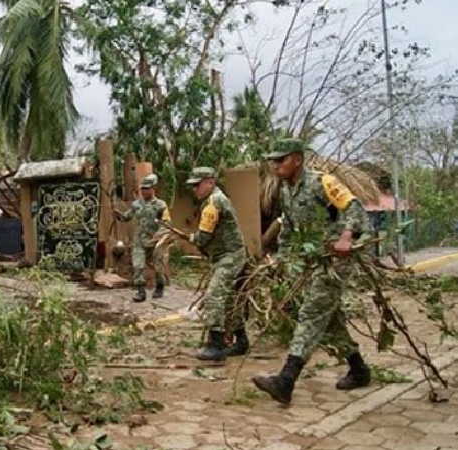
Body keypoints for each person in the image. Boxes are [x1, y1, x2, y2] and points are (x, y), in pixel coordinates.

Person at [252, 138, 374, 405]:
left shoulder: (324, 182)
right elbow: (290, 229)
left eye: (280, 159)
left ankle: (286, 380)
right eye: (273, 160)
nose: (275, 165)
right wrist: (282, 261)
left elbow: (354, 208)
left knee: (311, 312)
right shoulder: (285, 190)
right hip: (310, 260)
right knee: (329, 319)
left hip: (335, 261)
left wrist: (346, 236)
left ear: (297, 158)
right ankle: (359, 369)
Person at [185, 167, 249, 361]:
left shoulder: (214, 202)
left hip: (230, 256)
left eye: (198, 185)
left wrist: (191, 237)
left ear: (210, 182)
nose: (194, 189)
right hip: (229, 255)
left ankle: (216, 345)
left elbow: (203, 237)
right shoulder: (213, 201)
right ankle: (241, 341)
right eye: (193, 185)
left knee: (214, 296)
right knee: (230, 300)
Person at [114, 174, 170, 302]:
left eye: (147, 188)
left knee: (158, 267)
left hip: (155, 240)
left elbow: (166, 223)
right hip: (139, 240)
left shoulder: (161, 205)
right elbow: (126, 217)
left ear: (153, 189)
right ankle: (140, 291)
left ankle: (160, 286)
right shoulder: (136, 204)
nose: (144, 191)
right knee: (138, 266)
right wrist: (119, 215)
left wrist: (160, 236)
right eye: (142, 189)